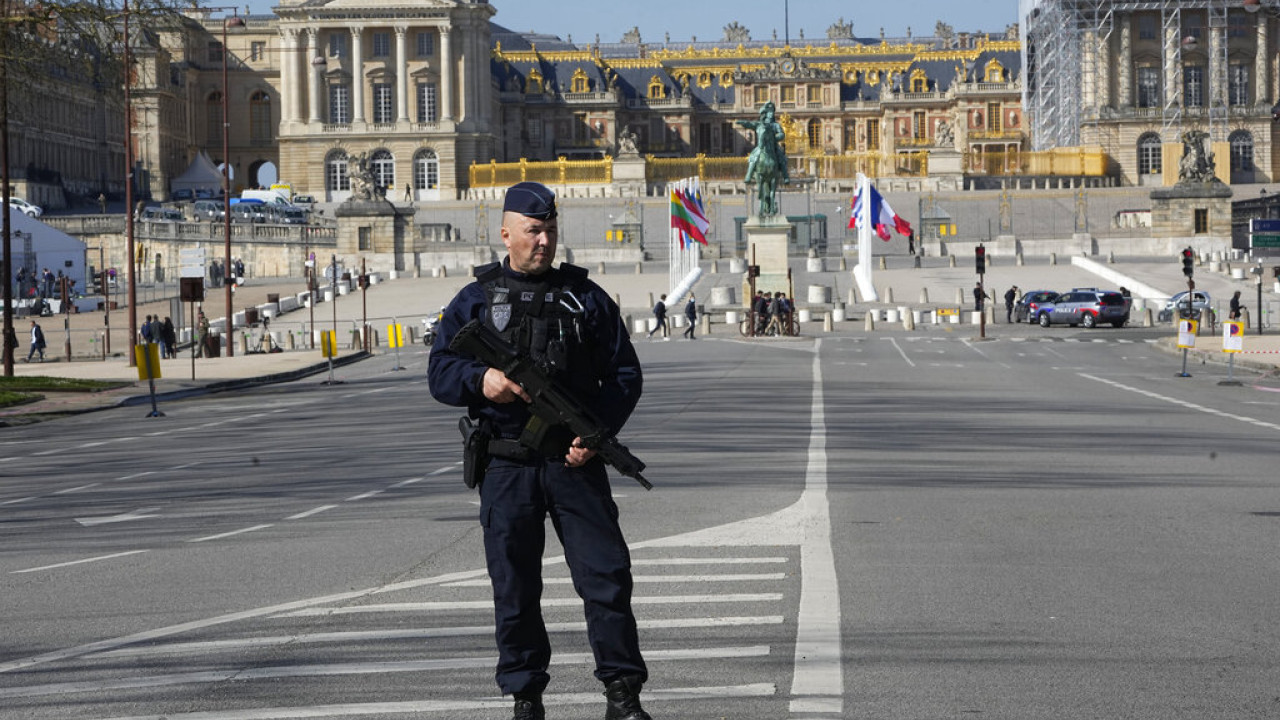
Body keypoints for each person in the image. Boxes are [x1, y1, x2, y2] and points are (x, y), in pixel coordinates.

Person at [427, 181, 652, 720]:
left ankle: (622, 695)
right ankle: (525, 697)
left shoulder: (585, 297)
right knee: (515, 586)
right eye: (533, 231)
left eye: (550, 230)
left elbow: (624, 374)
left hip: (575, 463)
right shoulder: (475, 301)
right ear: (506, 233)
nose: (544, 241)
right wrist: (483, 381)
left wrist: (592, 434)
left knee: (606, 579)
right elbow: (439, 372)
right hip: (507, 464)